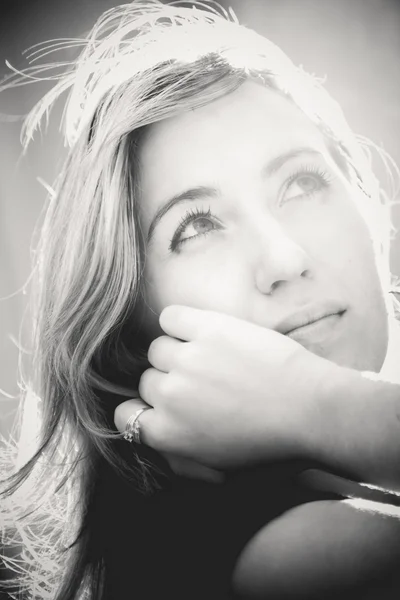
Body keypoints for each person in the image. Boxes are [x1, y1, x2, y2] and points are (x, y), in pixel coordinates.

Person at [1, 1, 400, 598]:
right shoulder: (307, 562)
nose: (285, 260)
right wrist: (322, 406)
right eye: (197, 226)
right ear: (130, 322)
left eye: (303, 183)